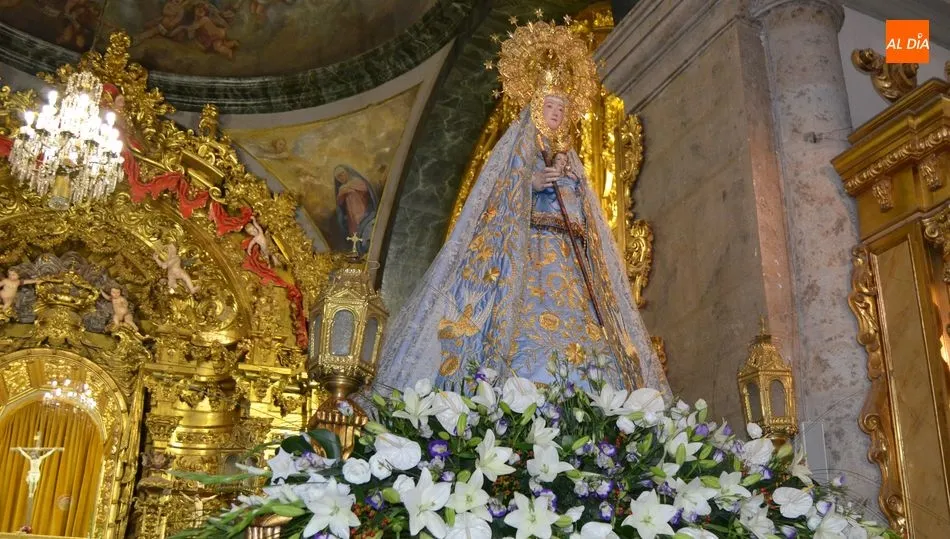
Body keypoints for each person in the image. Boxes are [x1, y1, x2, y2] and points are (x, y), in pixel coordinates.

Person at [376, 21, 670, 397]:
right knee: (522, 340)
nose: (556, 115)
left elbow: (587, 218)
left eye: (562, 109)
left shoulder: (570, 159)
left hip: (567, 263)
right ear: (535, 107)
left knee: (592, 347)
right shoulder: (517, 153)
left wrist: (573, 185)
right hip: (525, 257)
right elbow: (496, 202)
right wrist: (531, 184)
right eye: (550, 106)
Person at [333, 165, 377, 255]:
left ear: (347, 172)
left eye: (342, 174)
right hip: (352, 215)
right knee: (355, 234)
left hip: (363, 211)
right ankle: (360, 252)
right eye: (338, 177)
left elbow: (365, 188)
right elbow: (340, 202)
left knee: (366, 230)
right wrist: (346, 190)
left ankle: (370, 249)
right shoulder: (342, 188)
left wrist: (349, 188)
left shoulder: (357, 181)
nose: (341, 177)